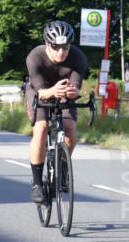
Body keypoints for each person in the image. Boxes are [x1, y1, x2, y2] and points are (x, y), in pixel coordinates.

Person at [25, 20, 88, 204]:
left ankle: (62, 167)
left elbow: (75, 88)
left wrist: (75, 92)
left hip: (63, 92)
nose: (61, 52)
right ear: (47, 44)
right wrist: (52, 91)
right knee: (42, 128)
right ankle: (37, 183)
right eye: (56, 47)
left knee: (69, 127)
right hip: (39, 91)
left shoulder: (78, 57)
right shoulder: (34, 57)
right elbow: (40, 92)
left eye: (65, 47)